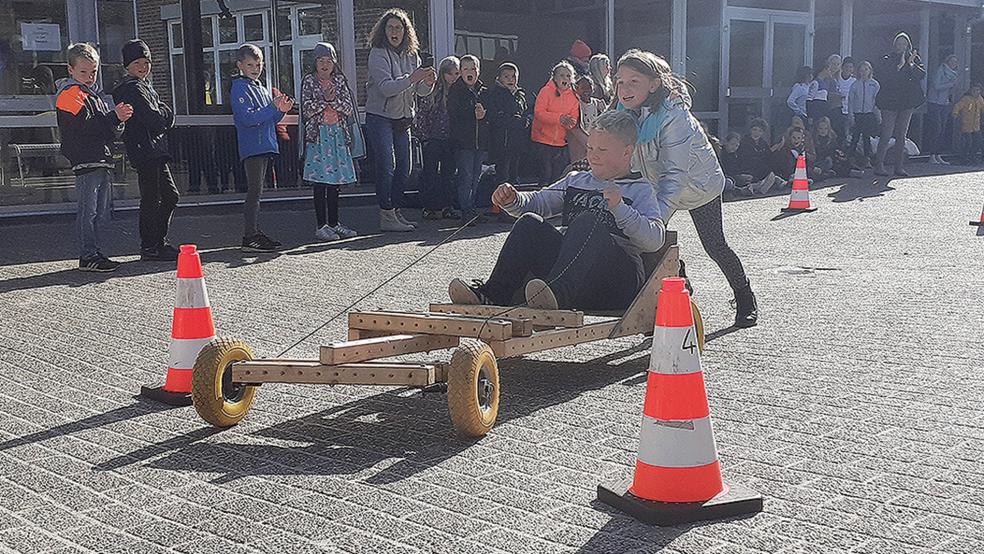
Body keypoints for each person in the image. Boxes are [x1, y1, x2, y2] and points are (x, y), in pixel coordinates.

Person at [446, 110, 665, 312]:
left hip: (616, 282)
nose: (593, 156)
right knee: (529, 223)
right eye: (590, 148)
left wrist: (620, 208)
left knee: (587, 222)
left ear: (627, 152)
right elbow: (539, 202)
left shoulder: (640, 188)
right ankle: (493, 293)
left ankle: (557, 296)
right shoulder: (577, 180)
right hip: (574, 277)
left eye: (602, 150)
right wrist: (513, 199)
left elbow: (654, 241)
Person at [614, 49, 757, 328]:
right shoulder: (621, 113)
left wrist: (654, 220)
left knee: (714, 245)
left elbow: (675, 176)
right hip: (657, 183)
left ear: (653, 84)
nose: (625, 88)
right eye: (620, 81)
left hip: (696, 185)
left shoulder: (673, 115)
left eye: (634, 81)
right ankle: (681, 294)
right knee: (649, 242)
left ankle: (744, 297)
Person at [56, 43, 133, 272]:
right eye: (84, 72)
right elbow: (85, 127)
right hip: (86, 158)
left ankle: (94, 252)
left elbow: (106, 128)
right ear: (70, 70)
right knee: (88, 211)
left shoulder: (93, 95)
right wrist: (113, 118)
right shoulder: (70, 94)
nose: (89, 77)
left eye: (93, 72)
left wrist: (118, 120)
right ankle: (88, 254)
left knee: (99, 212)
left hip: (100, 157)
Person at [365, 8, 437, 232]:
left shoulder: (411, 55)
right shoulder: (377, 53)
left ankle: (395, 211)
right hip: (380, 117)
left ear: (406, 31)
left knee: (405, 168)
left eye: (399, 27)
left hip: (403, 118)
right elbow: (387, 88)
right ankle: (385, 213)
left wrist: (428, 82)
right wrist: (412, 78)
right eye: (390, 27)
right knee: (387, 165)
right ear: (383, 30)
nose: (394, 31)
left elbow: (419, 91)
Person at [111, 39, 178, 262]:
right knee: (152, 197)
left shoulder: (145, 87)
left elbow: (163, 114)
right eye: (137, 62)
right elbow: (156, 119)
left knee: (169, 195)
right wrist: (164, 114)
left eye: (146, 61)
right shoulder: (132, 88)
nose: (143, 66)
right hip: (145, 149)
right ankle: (150, 245)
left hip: (155, 149)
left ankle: (158, 242)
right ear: (127, 65)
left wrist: (163, 114)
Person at [231, 44, 293, 252]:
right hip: (253, 146)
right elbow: (247, 118)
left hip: (265, 144)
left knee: (258, 191)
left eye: (258, 64)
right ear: (240, 65)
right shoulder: (239, 87)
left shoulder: (260, 87)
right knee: (254, 191)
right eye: (250, 64)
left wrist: (280, 111)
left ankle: (254, 232)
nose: (255, 68)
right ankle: (250, 235)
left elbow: (269, 118)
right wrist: (272, 108)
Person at [300, 42, 359, 242]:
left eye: (329, 60)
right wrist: (324, 100)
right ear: (314, 63)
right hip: (318, 137)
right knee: (319, 182)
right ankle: (321, 225)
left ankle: (334, 223)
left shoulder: (340, 80)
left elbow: (348, 108)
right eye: (321, 60)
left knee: (335, 183)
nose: (325, 64)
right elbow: (306, 110)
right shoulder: (309, 81)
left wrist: (332, 101)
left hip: (337, 136)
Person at [873, 32, 926, 177]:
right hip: (889, 101)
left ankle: (899, 167)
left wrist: (910, 64)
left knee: (901, 134)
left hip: (906, 101)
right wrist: (900, 66)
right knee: (886, 133)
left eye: (904, 44)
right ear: (894, 45)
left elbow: (921, 75)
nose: (901, 47)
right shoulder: (887, 59)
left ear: (908, 45)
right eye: (898, 44)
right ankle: (879, 165)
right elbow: (885, 77)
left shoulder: (914, 59)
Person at [416, 55, 460, 220]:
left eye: (456, 74)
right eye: (450, 74)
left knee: (449, 174)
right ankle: (429, 207)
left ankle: (448, 206)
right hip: (433, 138)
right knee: (430, 174)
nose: (454, 78)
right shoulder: (434, 90)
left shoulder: (459, 92)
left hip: (451, 139)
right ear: (443, 74)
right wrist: (424, 136)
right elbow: (423, 114)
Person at [448, 55, 489, 222]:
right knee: (465, 176)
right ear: (460, 72)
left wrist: (484, 115)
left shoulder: (484, 91)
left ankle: (472, 208)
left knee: (476, 176)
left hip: (479, 143)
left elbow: (490, 115)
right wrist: (473, 113)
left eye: (473, 68)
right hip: (463, 143)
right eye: (466, 69)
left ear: (478, 71)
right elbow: (454, 113)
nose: (470, 72)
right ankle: (466, 210)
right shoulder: (456, 90)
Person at [484, 62, 532, 187]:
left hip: (517, 141)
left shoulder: (520, 94)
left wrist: (527, 120)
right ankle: (499, 204)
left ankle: (513, 202)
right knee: (502, 174)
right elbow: (495, 117)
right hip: (502, 140)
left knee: (514, 173)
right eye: (506, 76)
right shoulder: (495, 93)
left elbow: (525, 112)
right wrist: (516, 121)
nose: (511, 79)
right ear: (499, 78)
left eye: (513, 76)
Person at [532, 61, 579, 186]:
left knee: (557, 175)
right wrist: (559, 119)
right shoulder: (546, 91)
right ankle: (541, 202)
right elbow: (539, 113)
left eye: (568, 76)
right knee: (545, 174)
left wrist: (569, 123)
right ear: (555, 77)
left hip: (560, 142)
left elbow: (574, 118)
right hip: (542, 140)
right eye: (562, 75)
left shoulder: (574, 96)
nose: (565, 78)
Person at [926, 54, 959, 165]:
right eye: (952, 61)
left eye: (956, 62)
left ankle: (938, 155)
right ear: (947, 61)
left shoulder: (954, 74)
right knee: (936, 128)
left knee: (942, 129)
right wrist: (950, 84)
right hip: (934, 102)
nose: (954, 64)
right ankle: (931, 155)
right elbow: (936, 85)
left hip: (945, 103)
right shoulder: (941, 70)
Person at [567, 75, 606, 162]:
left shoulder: (598, 104)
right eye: (583, 88)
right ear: (577, 89)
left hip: (594, 141)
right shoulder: (574, 105)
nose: (586, 90)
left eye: (589, 87)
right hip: (579, 143)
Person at [849, 61, 880, 167]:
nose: (863, 72)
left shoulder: (874, 84)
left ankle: (867, 158)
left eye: (866, 70)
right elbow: (851, 101)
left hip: (868, 114)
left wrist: (878, 114)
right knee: (855, 137)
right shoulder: (855, 85)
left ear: (870, 70)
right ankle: (851, 158)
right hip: (858, 114)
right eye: (861, 70)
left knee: (867, 137)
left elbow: (877, 101)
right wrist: (851, 115)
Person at [951, 83, 984, 165]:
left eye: (978, 90)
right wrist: (955, 114)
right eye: (974, 90)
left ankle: (972, 156)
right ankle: (964, 157)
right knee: (968, 142)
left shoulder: (980, 99)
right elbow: (957, 106)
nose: (976, 92)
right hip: (966, 125)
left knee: (978, 142)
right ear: (970, 91)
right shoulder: (966, 99)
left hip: (976, 126)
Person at [834, 57, 856, 146]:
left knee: (848, 133)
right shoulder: (836, 79)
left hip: (850, 111)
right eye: (846, 67)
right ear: (842, 67)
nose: (848, 69)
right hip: (838, 110)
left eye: (851, 67)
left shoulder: (854, 81)